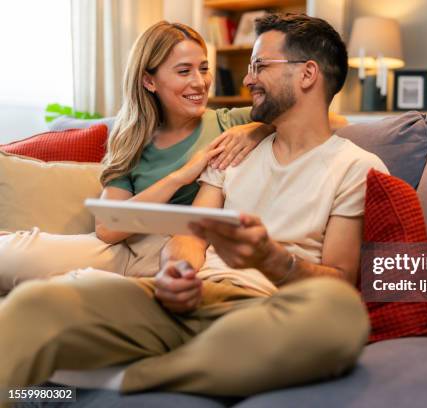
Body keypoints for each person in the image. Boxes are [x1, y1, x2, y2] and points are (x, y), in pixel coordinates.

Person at [0, 13, 387, 397]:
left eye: (259, 66)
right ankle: (195, 365)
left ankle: (130, 378)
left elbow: (340, 281)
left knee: (341, 314)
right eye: (249, 67)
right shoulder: (229, 153)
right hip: (193, 297)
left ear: (307, 75)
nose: (246, 78)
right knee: (39, 302)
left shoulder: (356, 166)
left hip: (267, 310)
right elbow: (192, 234)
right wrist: (177, 273)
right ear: (149, 81)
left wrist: (269, 257)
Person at [0, 21, 343, 295]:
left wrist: (254, 130)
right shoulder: (130, 136)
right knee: (10, 254)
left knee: (71, 293)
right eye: (183, 72)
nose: (200, 82)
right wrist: (184, 174)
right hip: (120, 250)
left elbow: (323, 119)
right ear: (150, 80)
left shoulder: (228, 122)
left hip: (181, 253)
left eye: (204, 68)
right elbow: (107, 229)